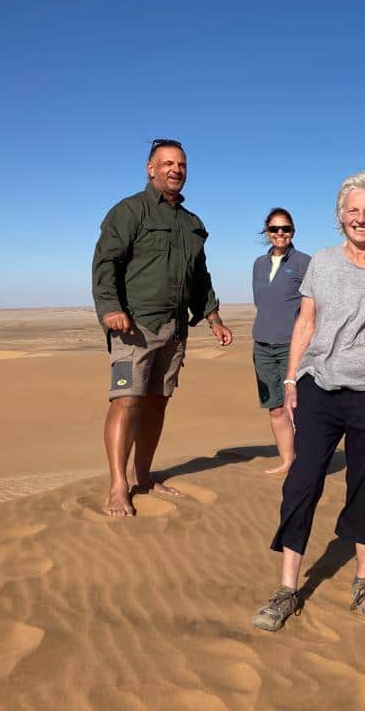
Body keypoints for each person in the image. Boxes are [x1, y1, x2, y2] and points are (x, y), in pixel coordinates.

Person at [252, 171, 365, 632]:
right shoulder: (320, 263)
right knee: (301, 483)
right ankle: (287, 588)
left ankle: (364, 580)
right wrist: (289, 379)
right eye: (353, 210)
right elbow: (305, 321)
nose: (361, 218)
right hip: (319, 389)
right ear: (340, 216)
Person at [92, 139, 234, 517]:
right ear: (150, 168)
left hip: (174, 330)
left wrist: (213, 317)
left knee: (157, 403)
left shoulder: (192, 224)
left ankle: (143, 474)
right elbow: (106, 263)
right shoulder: (128, 212)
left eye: (181, 164)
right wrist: (110, 308)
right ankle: (118, 485)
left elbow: (200, 278)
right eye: (167, 163)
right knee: (126, 400)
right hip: (133, 327)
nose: (175, 169)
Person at [251, 208, 311, 474]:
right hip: (262, 345)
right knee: (275, 408)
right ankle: (288, 461)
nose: (280, 233)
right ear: (267, 232)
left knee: (296, 407)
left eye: (285, 228)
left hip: (293, 346)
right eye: (274, 229)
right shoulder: (259, 264)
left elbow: (315, 307)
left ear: (292, 232)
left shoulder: (304, 262)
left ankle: (307, 462)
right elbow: (261, 303)